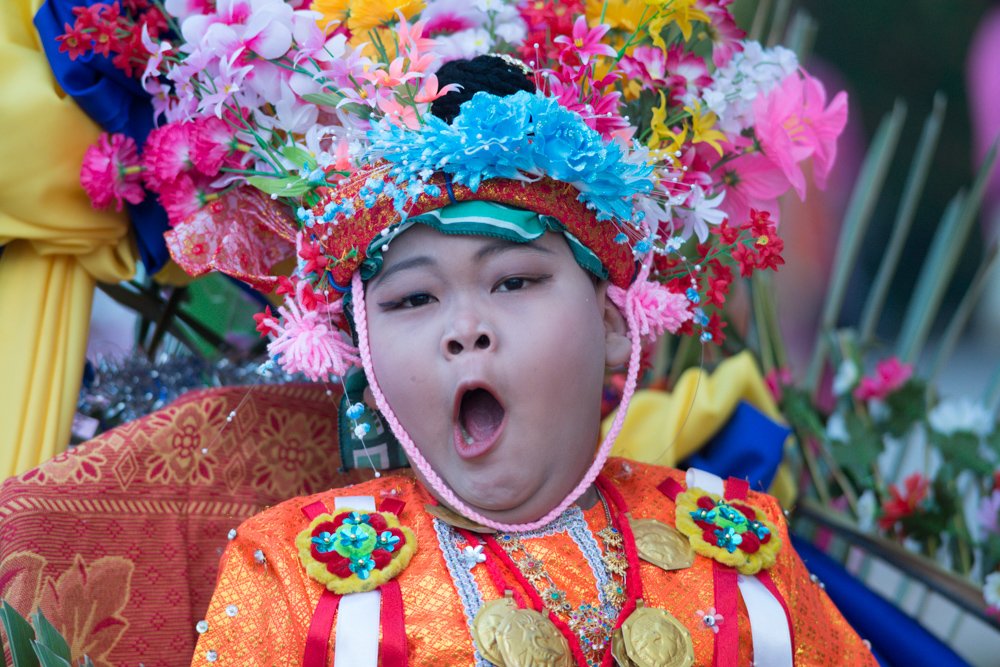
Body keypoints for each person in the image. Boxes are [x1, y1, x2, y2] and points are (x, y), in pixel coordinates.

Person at [192, 56, 876, 666]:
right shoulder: (290, 576)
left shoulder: (741, 547)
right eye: (413, 298)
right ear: (365, 361)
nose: (465, 330)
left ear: (612, 325)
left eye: (514, 282)